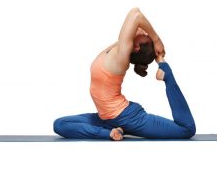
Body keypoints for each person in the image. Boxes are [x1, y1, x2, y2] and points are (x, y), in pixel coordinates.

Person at [53, 7, 196, 141]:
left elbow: (136, 14)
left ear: (136, 47)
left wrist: (157, 40)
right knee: (60, 124)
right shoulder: (118, 48)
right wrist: (145, 36)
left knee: (186, 129)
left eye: (146, 37)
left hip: (128, 118)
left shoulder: (121, 58)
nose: (146, 32)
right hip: (107, 118)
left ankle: (167, 75)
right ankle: (114, 130)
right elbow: (136, 25)